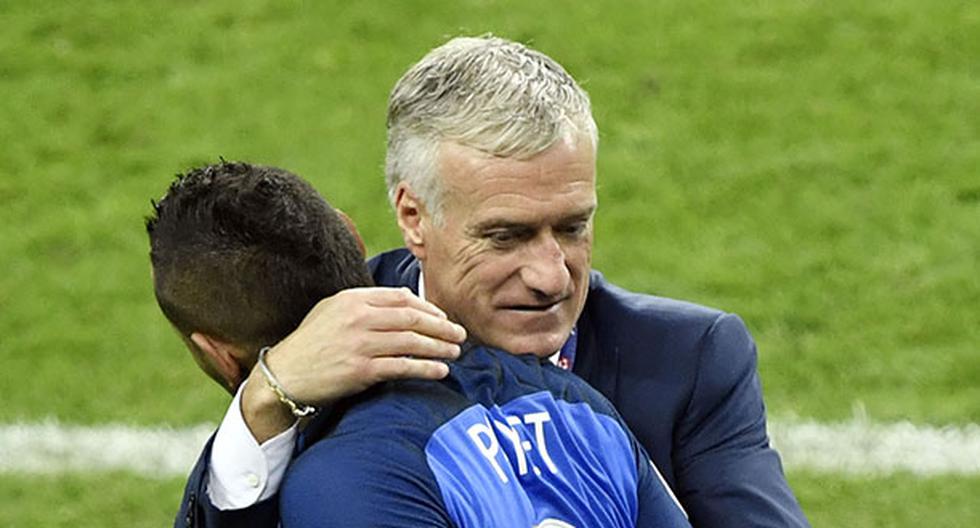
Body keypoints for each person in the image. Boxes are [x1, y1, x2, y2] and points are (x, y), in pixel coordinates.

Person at [176, 36, 810, 527]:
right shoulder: (324, 336)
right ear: (413, 216)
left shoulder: (687, 358)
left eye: (572, 227)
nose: (550, 275)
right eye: (506, 236)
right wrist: (264, 403)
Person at [148, 161, 692, 527]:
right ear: (353, 238)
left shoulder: (339, 481)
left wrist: (265, 397)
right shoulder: (578, 404)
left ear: (215, 354)